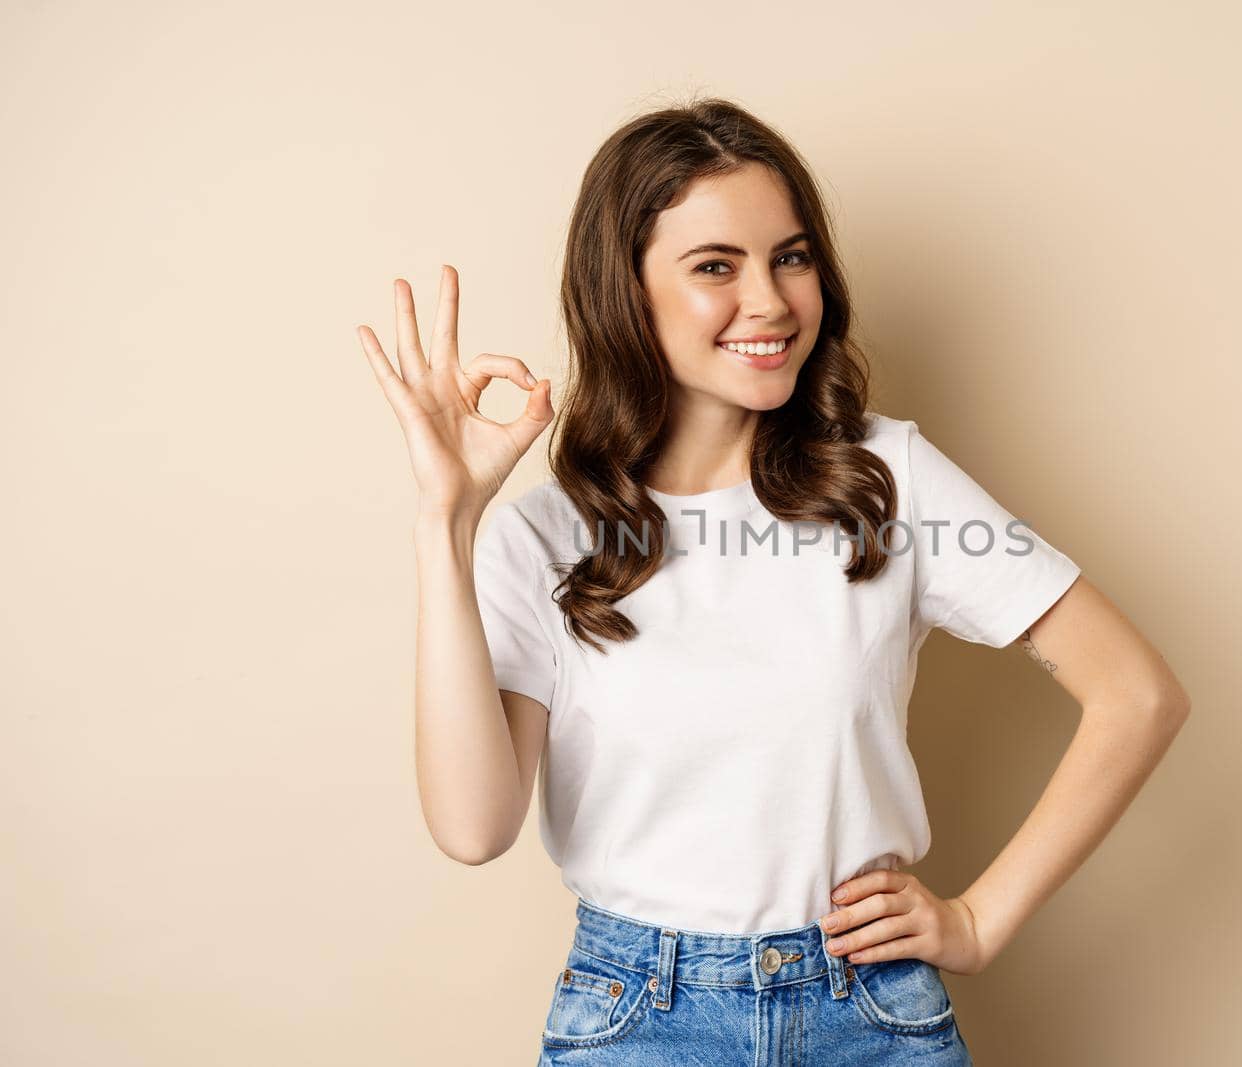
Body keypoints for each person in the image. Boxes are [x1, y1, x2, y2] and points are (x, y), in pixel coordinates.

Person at [358, 97, 1191, 1065]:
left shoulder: (889, 477)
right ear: (624, 291)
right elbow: (472, 825)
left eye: (790, 257)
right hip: (638, 1018)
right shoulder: (546, 535)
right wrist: (446, 522)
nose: (771, 300)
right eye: (716, 265)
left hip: (869, 1014)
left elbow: (1138, 694)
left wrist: (977, 917)